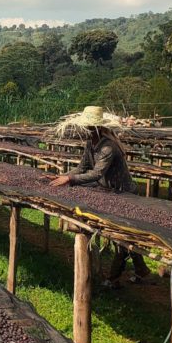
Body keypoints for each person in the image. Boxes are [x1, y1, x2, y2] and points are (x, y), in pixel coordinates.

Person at [45, 106, 149, 288]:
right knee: (125, 236)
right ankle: (141, 270)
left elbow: (96, 174)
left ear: (95, 128)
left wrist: (69, 179)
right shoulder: (91, 144)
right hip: (109, 192)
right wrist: (62, 176)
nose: (84, 130)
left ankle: (114, 278)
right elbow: (82, 168)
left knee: (121, 236)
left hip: (124, 194)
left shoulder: (108, 147)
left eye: (87, 127)